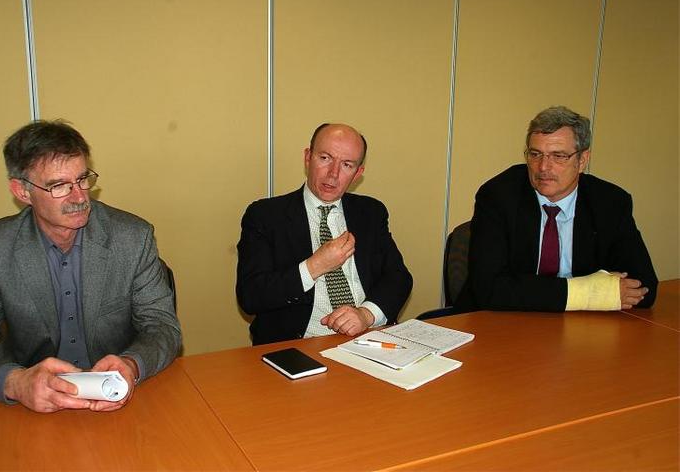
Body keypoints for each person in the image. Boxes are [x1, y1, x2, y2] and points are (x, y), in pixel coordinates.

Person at [0, 120, 181, 413]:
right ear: (22, 191)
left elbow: (163, 328)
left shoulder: (131, 237)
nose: (80, 197)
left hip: (117, 399)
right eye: (59, 186)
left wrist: (131, 364)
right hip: (32, 407)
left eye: (82, 179)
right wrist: (17, 383)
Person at [457, 106, 657, 312]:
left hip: (581, 329)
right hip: (502, 322)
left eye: (559, 156)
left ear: (582, 160)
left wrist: (534, 292)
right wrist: (590, 294)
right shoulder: (497, 196)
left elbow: (643, 287)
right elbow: (488, 289)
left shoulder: (610, 202)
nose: (543, 167)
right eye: (535, 154)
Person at [236, 123, 413, 344]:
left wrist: (367, 315)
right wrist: (315, 266)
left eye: (347, 165)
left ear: (358, 173)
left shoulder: (370, 212)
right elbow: (251, 296)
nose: (333, 174)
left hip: (367, 339)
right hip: (299, 344)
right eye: (325, 158)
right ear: (308, 158)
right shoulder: (265, 216)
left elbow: (399, 277)